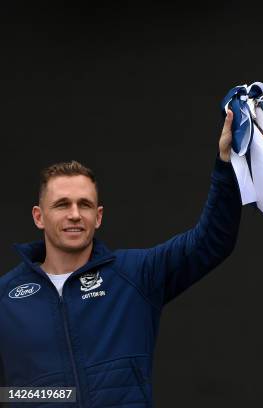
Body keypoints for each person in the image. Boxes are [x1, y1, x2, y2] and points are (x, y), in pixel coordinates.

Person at [0, 111, 239, 407]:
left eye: (84, 205)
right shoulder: (6, 297)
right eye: (62, 205)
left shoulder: (134, 275)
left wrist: (226, 163)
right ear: (39, 216)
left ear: (97, 216)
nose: (75, 214)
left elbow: (211, 240)